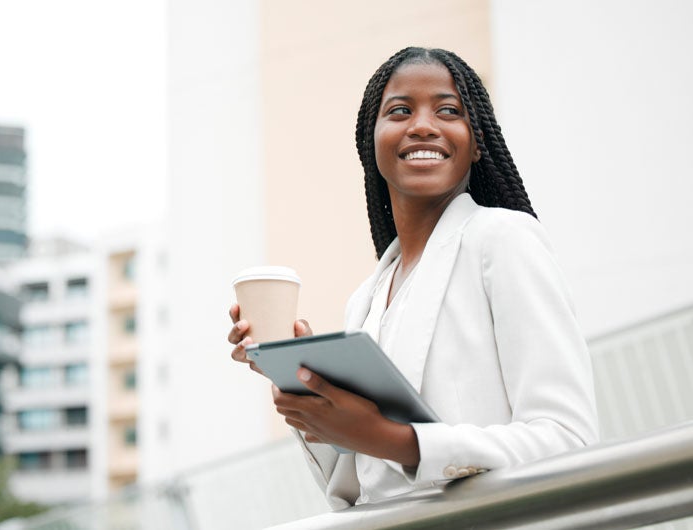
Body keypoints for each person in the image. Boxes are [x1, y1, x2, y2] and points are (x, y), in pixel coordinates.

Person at [226, 46, 598, 509]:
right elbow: (362, 484)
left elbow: (568, 438)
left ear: (476, 139)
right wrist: (306, 389)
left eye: (448, 110)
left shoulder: (503, 239)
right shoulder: (367, 298)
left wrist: (397, 440)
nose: (423, 125)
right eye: (400, 111)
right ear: (371, 139)